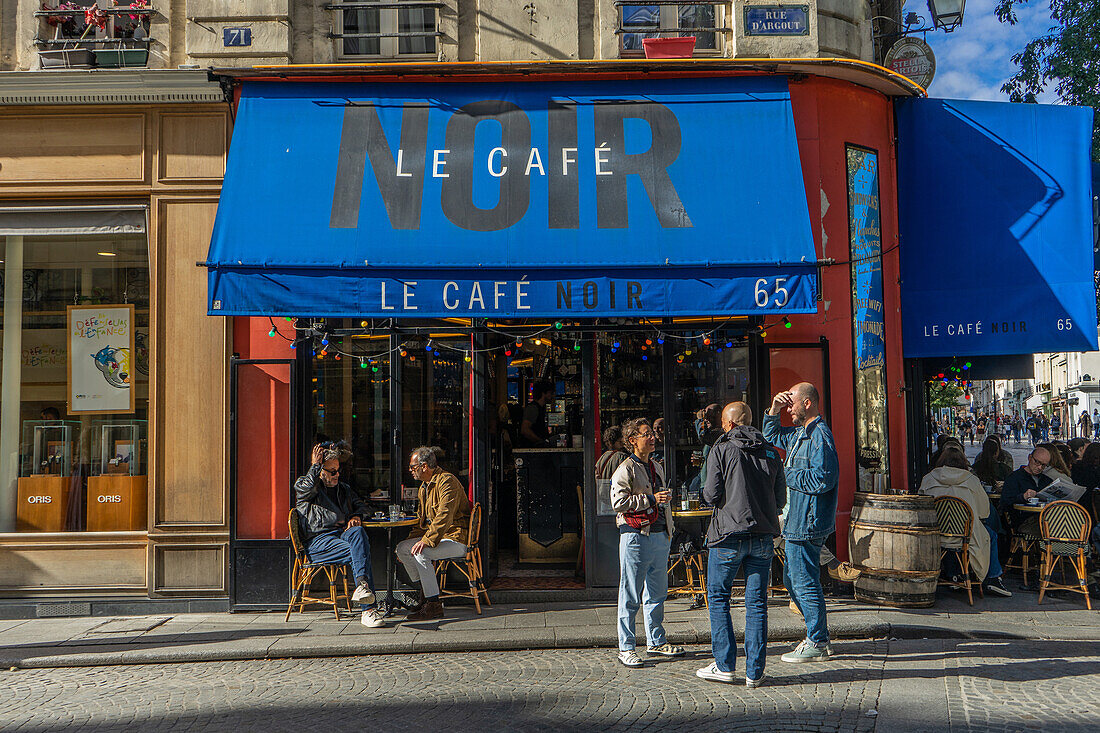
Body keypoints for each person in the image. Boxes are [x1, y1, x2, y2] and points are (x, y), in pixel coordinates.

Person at [696, 402, 785, 688]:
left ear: (731, 424)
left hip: (728, 536)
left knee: (719, 598)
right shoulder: (771, 451)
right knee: (757, 604)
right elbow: (780, 500)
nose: (722, 428)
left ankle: (724, 666)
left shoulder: (722, 449)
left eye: (723, 423)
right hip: (761, 536)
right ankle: (754, 673)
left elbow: (710, 496)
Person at [763, 382, 839, 664]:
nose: (788, 409)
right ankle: (817, 636)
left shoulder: (819, 435)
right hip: (797, 519)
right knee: (793, 578)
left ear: (807, 403)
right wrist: (774, 408)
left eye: (791, 403)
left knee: (803, 580)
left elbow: (823, 479)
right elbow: (770, 435)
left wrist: (786, 475)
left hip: (807, 521)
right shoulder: (799, 434)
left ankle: (818, 640)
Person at [610, 417, 683, 667]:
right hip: (635, 536)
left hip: (660, 534)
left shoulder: (655, 466)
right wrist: (651, 499)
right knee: (630, 593)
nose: (652, 437)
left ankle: (656, 641)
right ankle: (626, 647)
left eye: (652, 433)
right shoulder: (625, 468)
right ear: (633, 441)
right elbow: (618, 503)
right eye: (646, 434)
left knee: (657, 592)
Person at [295, 442, 384, 628]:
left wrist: (356, 516)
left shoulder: (343, 489)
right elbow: (305, 489)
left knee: (358, 533)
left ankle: (362, 588)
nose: (337, 475)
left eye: (338, 470)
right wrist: (314, 466)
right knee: (359, 551)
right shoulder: (308, 486)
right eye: (332, 471)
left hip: (339, 536)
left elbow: (362, 506)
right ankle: (368, 609)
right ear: (320, 470)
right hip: (317, 541)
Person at [920, 446, 1011, 596]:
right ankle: (993, 577)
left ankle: (953, 573)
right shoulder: (972, 480)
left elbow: (922, 505)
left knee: (950, 535)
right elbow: (984, 512)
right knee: (991, 535)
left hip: (937, 533)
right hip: (966, 535)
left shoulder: (928, 478)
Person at [396, 446, 472, 621]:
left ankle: (433, 605)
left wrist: (427, 540)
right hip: (440, 538)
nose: (410, 470)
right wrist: (412, 541)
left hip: (456, 538)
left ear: (424, 466)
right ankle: (424, 592)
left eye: (413, 467)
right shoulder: (424, 487)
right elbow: (422, 522)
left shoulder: (447, 482)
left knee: (421, 553)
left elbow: (444, 516)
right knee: (402, 548)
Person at [1000, 447, 1054, 536]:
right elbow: (1005, 502)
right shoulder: (1014, 478)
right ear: (1029, 458)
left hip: (1044, 518)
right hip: (1024, 521)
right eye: (1037, 462)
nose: (1040, 467)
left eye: (1044, 465)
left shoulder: (1047, 481)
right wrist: (1023, 497)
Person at [520, 379, 555, 447]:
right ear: (543, 393)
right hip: (532, 450)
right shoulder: (533, 408)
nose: (552, 396)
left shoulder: (540, 408)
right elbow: (525, 430)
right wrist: (541, 442)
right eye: (550, 393)